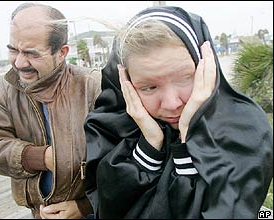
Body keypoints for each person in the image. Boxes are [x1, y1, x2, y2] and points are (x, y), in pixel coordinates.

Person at [84, 6, 273, 219]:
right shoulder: (110, 129)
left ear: (206, 66)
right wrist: (150, 144)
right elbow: (111, 209)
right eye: (149, 87)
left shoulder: (243, 132)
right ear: (125, 84)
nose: (172, 103)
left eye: (185, 78)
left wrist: (188, 137)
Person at [0, 2, 101, 219]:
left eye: (32, 53)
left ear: (62, 52)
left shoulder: (92, 86)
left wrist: (85, 206)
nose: (19, 62)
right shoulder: (5, 88)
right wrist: (40, 157)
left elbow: (122, 160)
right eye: (13, 50)